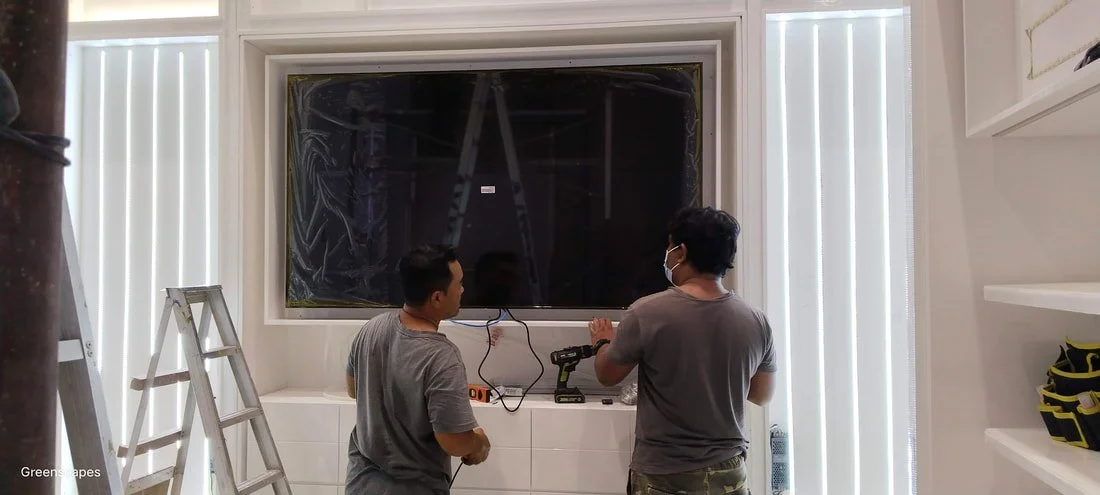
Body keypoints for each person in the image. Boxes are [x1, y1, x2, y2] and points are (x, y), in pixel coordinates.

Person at [589, 207, 776, 495]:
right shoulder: (755, 320)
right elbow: (762, 394)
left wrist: (602, 342)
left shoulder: (647, 313)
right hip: (728, 473)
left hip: (664, 474)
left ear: (681, 252)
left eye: (670, 247)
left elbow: (607, 375)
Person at [345, 245, 491, 494]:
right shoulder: (441, 356)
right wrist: (479, 444)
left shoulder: (371, 328)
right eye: (459, 283)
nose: (463, 290)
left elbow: (353, 389)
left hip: (361, 485)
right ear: (437, 297)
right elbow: (454, 441)